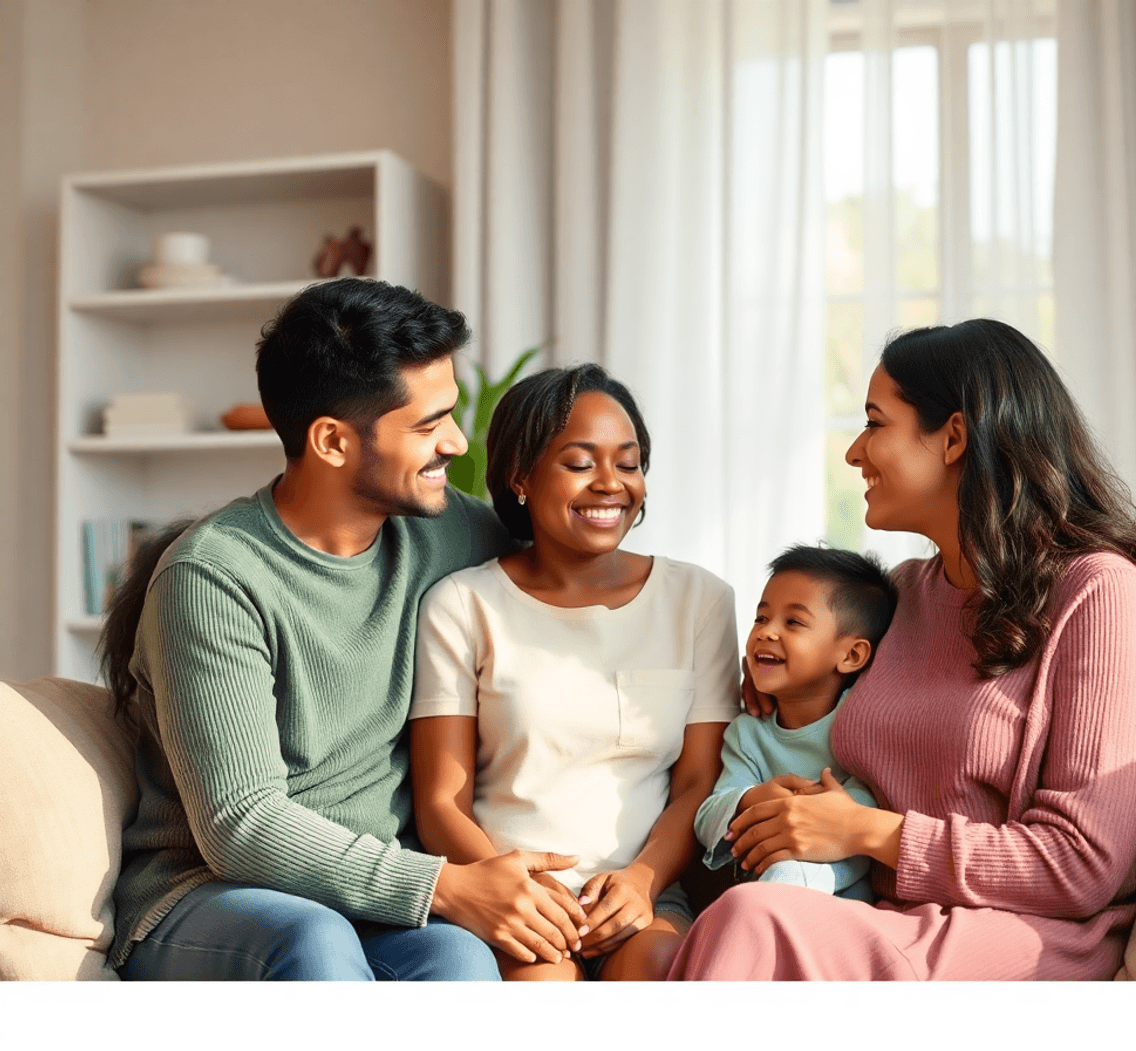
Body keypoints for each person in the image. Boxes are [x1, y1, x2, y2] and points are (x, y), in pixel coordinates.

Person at [669, 317, 1136, 982]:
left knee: (751, 921)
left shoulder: (1101, 594)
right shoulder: (907, 594)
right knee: (739, 915)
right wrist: (774, 688)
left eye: (875, 422)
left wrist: (866, 832)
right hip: (875, 912)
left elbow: (1082, 863)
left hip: (1019, 944)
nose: (854, 452)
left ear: (953, 437)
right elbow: (828, 696)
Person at [102, 278, 591, 981]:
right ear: (331, 440)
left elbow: (566, 594)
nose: (456, 442)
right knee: (315, 940)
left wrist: (770, 688)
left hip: (373, 901)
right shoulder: (213, 577)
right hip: (206, 895)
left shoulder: (454, 533)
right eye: (428, 425)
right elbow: (241, 824)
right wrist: (442, 885)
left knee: (458, 959)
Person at [408, 363, 740, 980]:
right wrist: (509, 888)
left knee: (661, 966)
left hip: (641, 893)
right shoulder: (461, 603)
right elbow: (439, 801)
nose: (611, 485)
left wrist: (641, 880)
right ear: (521, 477)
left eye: (629, 463)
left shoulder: (700, 600)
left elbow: (698, 781)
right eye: (581, 464)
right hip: (512, 894)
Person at [694, 544, 896, 901]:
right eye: (761, 618)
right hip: (764, 885)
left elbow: (872, 805)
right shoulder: (748, 733)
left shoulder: (863, 721)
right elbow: (708, 819)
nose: (766, 632)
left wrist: (815, 816)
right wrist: (751, 800)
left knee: (786, 876)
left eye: (794, 622)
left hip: (844, 895)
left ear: (851, 655)